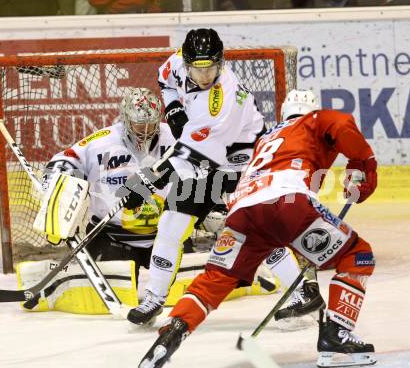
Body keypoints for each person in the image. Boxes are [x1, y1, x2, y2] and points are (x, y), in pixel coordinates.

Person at [138, 89, 378, 368]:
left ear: (284, 112)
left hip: (241, 211)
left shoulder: (267, 137)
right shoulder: (314, 119)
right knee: (358, 255)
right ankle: (336, 333)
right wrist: (364, 165)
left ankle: (169, 337)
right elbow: (341, 123)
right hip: (287, 202)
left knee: (213, 282)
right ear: (311, 109)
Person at [121, 28, 266, 325]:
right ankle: (155, 297)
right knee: (171, 223)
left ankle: (304, 288)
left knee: (248, 226)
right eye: (197, 69)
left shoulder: (220, 101)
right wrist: (173, 105)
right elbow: (165, 78)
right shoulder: (177, 62)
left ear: (221, 63)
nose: (203, 76)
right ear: (187, 62)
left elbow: (189, 160)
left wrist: (147, 183)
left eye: (210, 68)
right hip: (205, 151)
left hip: (241, 157)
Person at [42, 87, 175, 284]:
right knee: (112, 292)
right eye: (139, 125)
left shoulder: (175, 137)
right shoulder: (101, 141)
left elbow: (207, 161)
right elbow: (66, 159)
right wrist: (59, 187)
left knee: (183, 292)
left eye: (151, 123)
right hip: (112, 236)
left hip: (168, 235)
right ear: (125, 119)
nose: (146, 131)